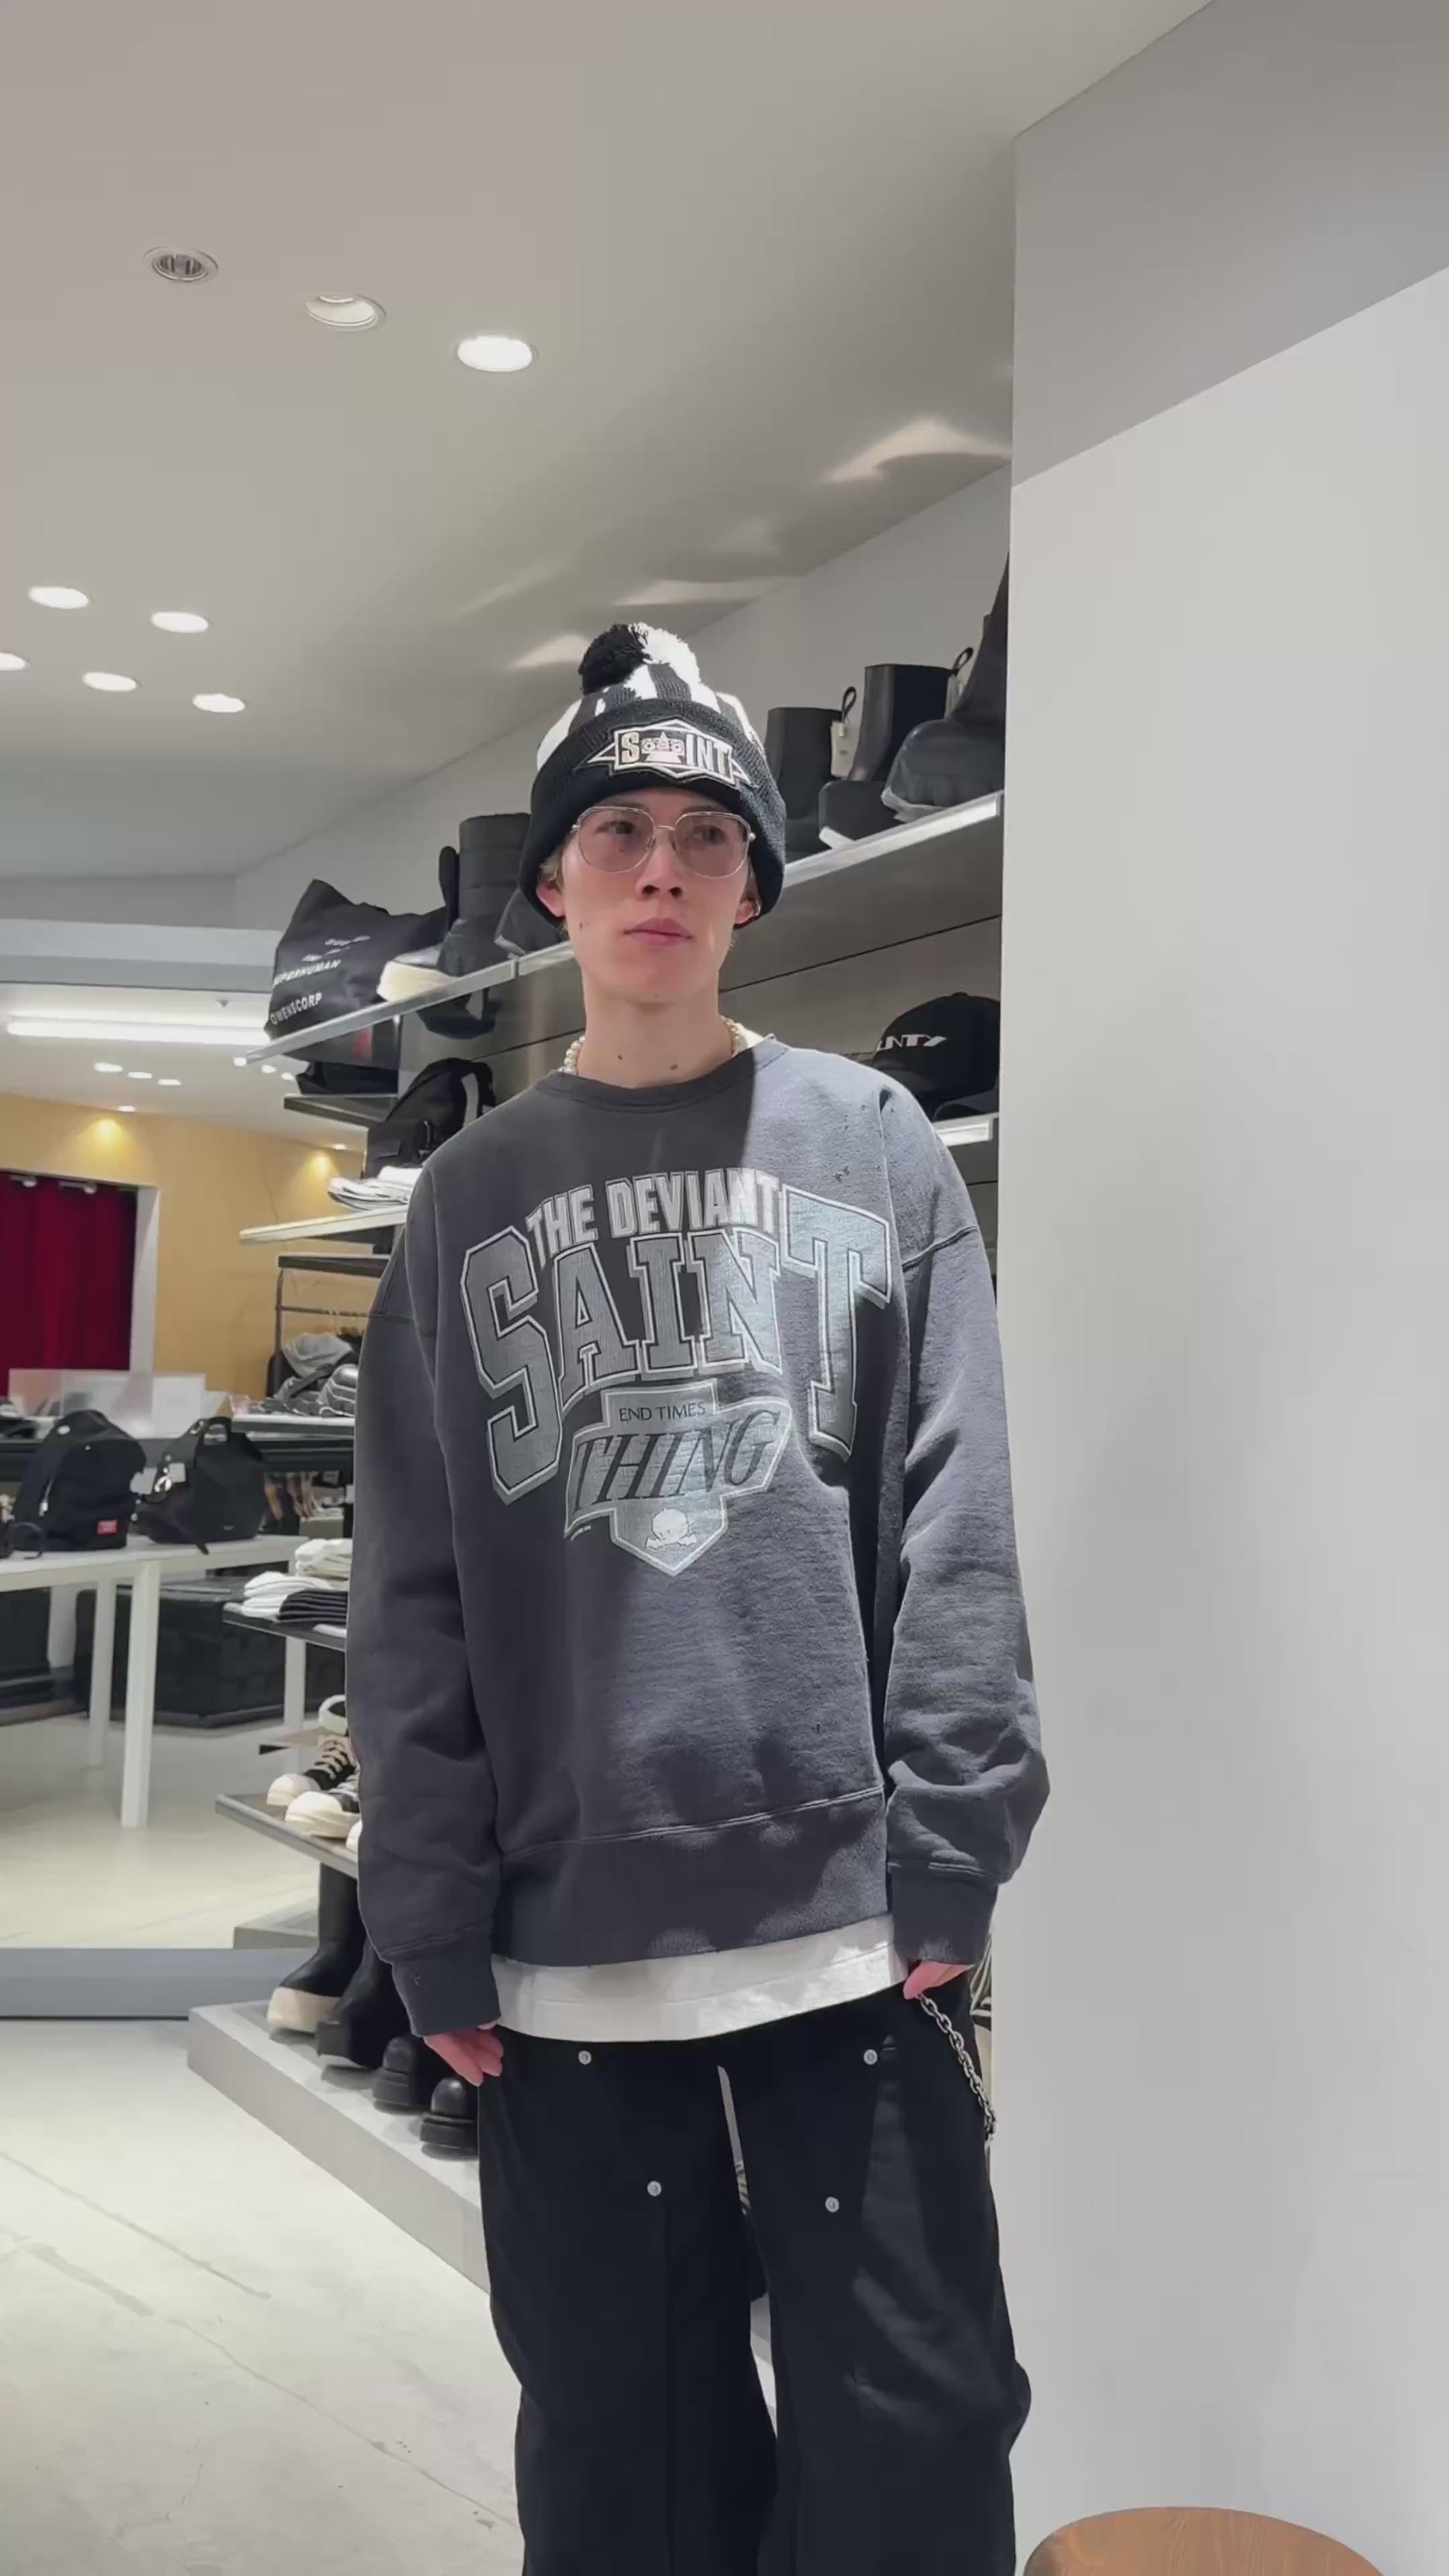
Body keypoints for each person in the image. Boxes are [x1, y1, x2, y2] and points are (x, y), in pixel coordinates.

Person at [348, 624, 1048, 2575]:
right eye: (619, 831)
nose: (662, 867)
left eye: (706, 836)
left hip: (850, 1932)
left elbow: (956, 1503)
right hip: (564, 1950)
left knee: (914, 2436)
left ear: (752, 884)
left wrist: (955, 1837)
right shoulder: (467, 1196)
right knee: (625, 2465)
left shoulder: (872, 1140)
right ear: (556, 885)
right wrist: (426, 1908)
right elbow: (407, 1580)